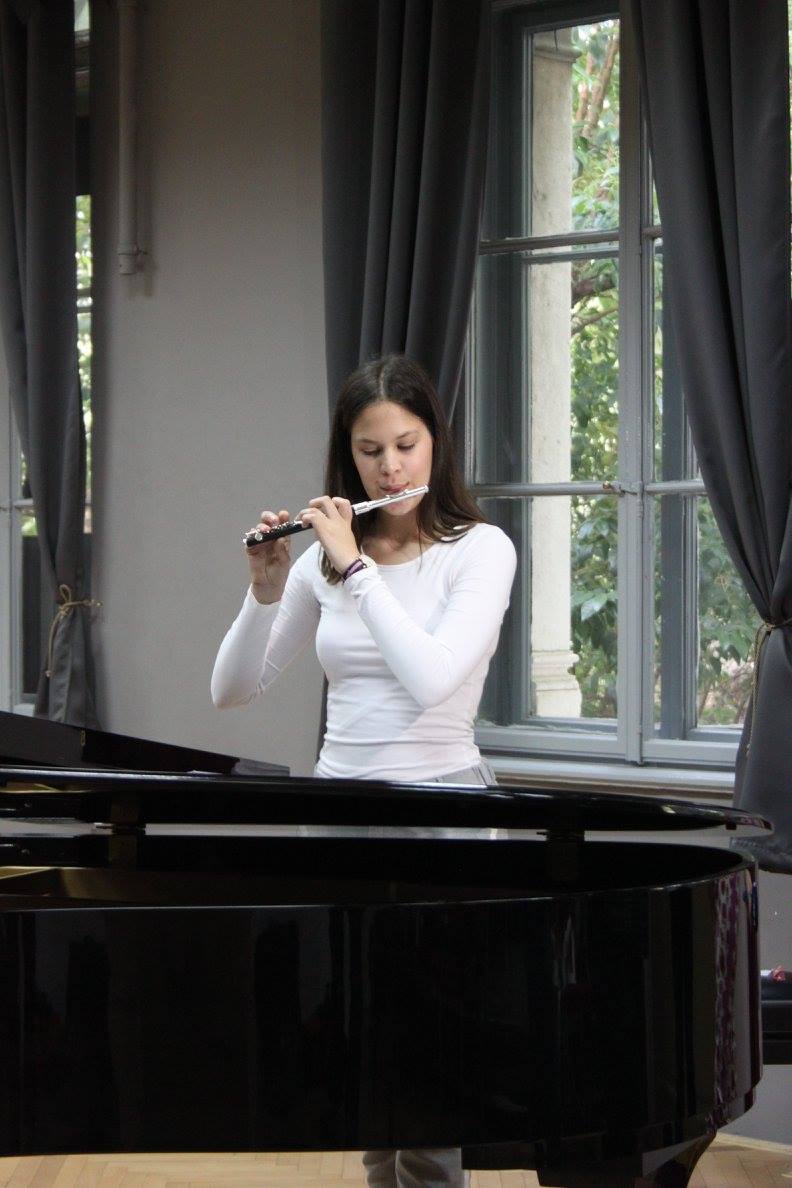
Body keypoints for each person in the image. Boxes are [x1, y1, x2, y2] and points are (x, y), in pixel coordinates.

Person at [211, 353, 517, 1188]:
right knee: (362, 1048)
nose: (391, 469)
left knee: (432, 1060)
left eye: (407, 446)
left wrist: (355, 567)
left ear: (435, 443)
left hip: (443, 816)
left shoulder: (479, 551)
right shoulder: (322, 562)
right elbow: (232, 690)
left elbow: (431, 678)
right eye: (371, 451)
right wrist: (263, 591)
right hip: (337, 813)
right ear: (347, 458)